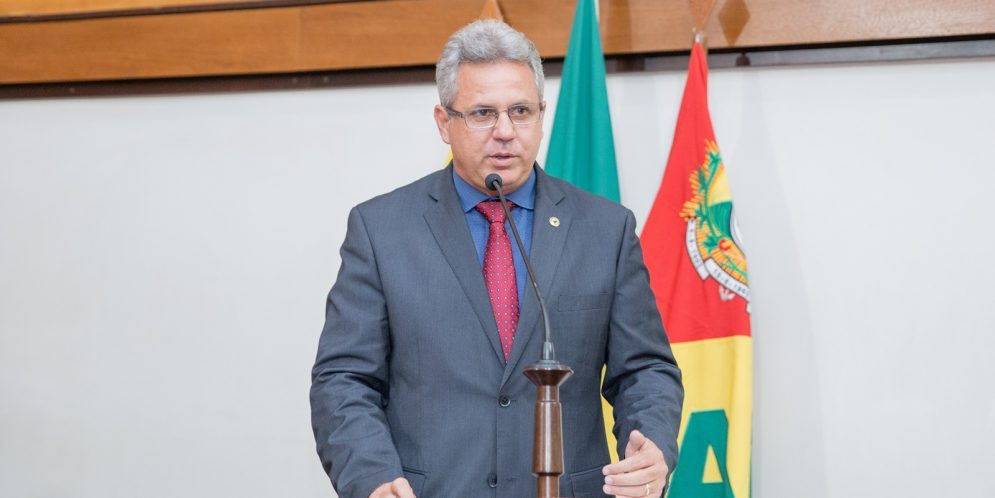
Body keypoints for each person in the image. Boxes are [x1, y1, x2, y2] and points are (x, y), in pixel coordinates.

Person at [310, 19, 683, 498]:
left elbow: (645, 370)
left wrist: (652, 445)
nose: (505, 132)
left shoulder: (605, 229)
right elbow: (343, 380)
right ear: (444, 122)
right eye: (483, 113)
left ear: (542, 116)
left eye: (521, 111)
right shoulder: (381, 230)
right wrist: (373, 477)